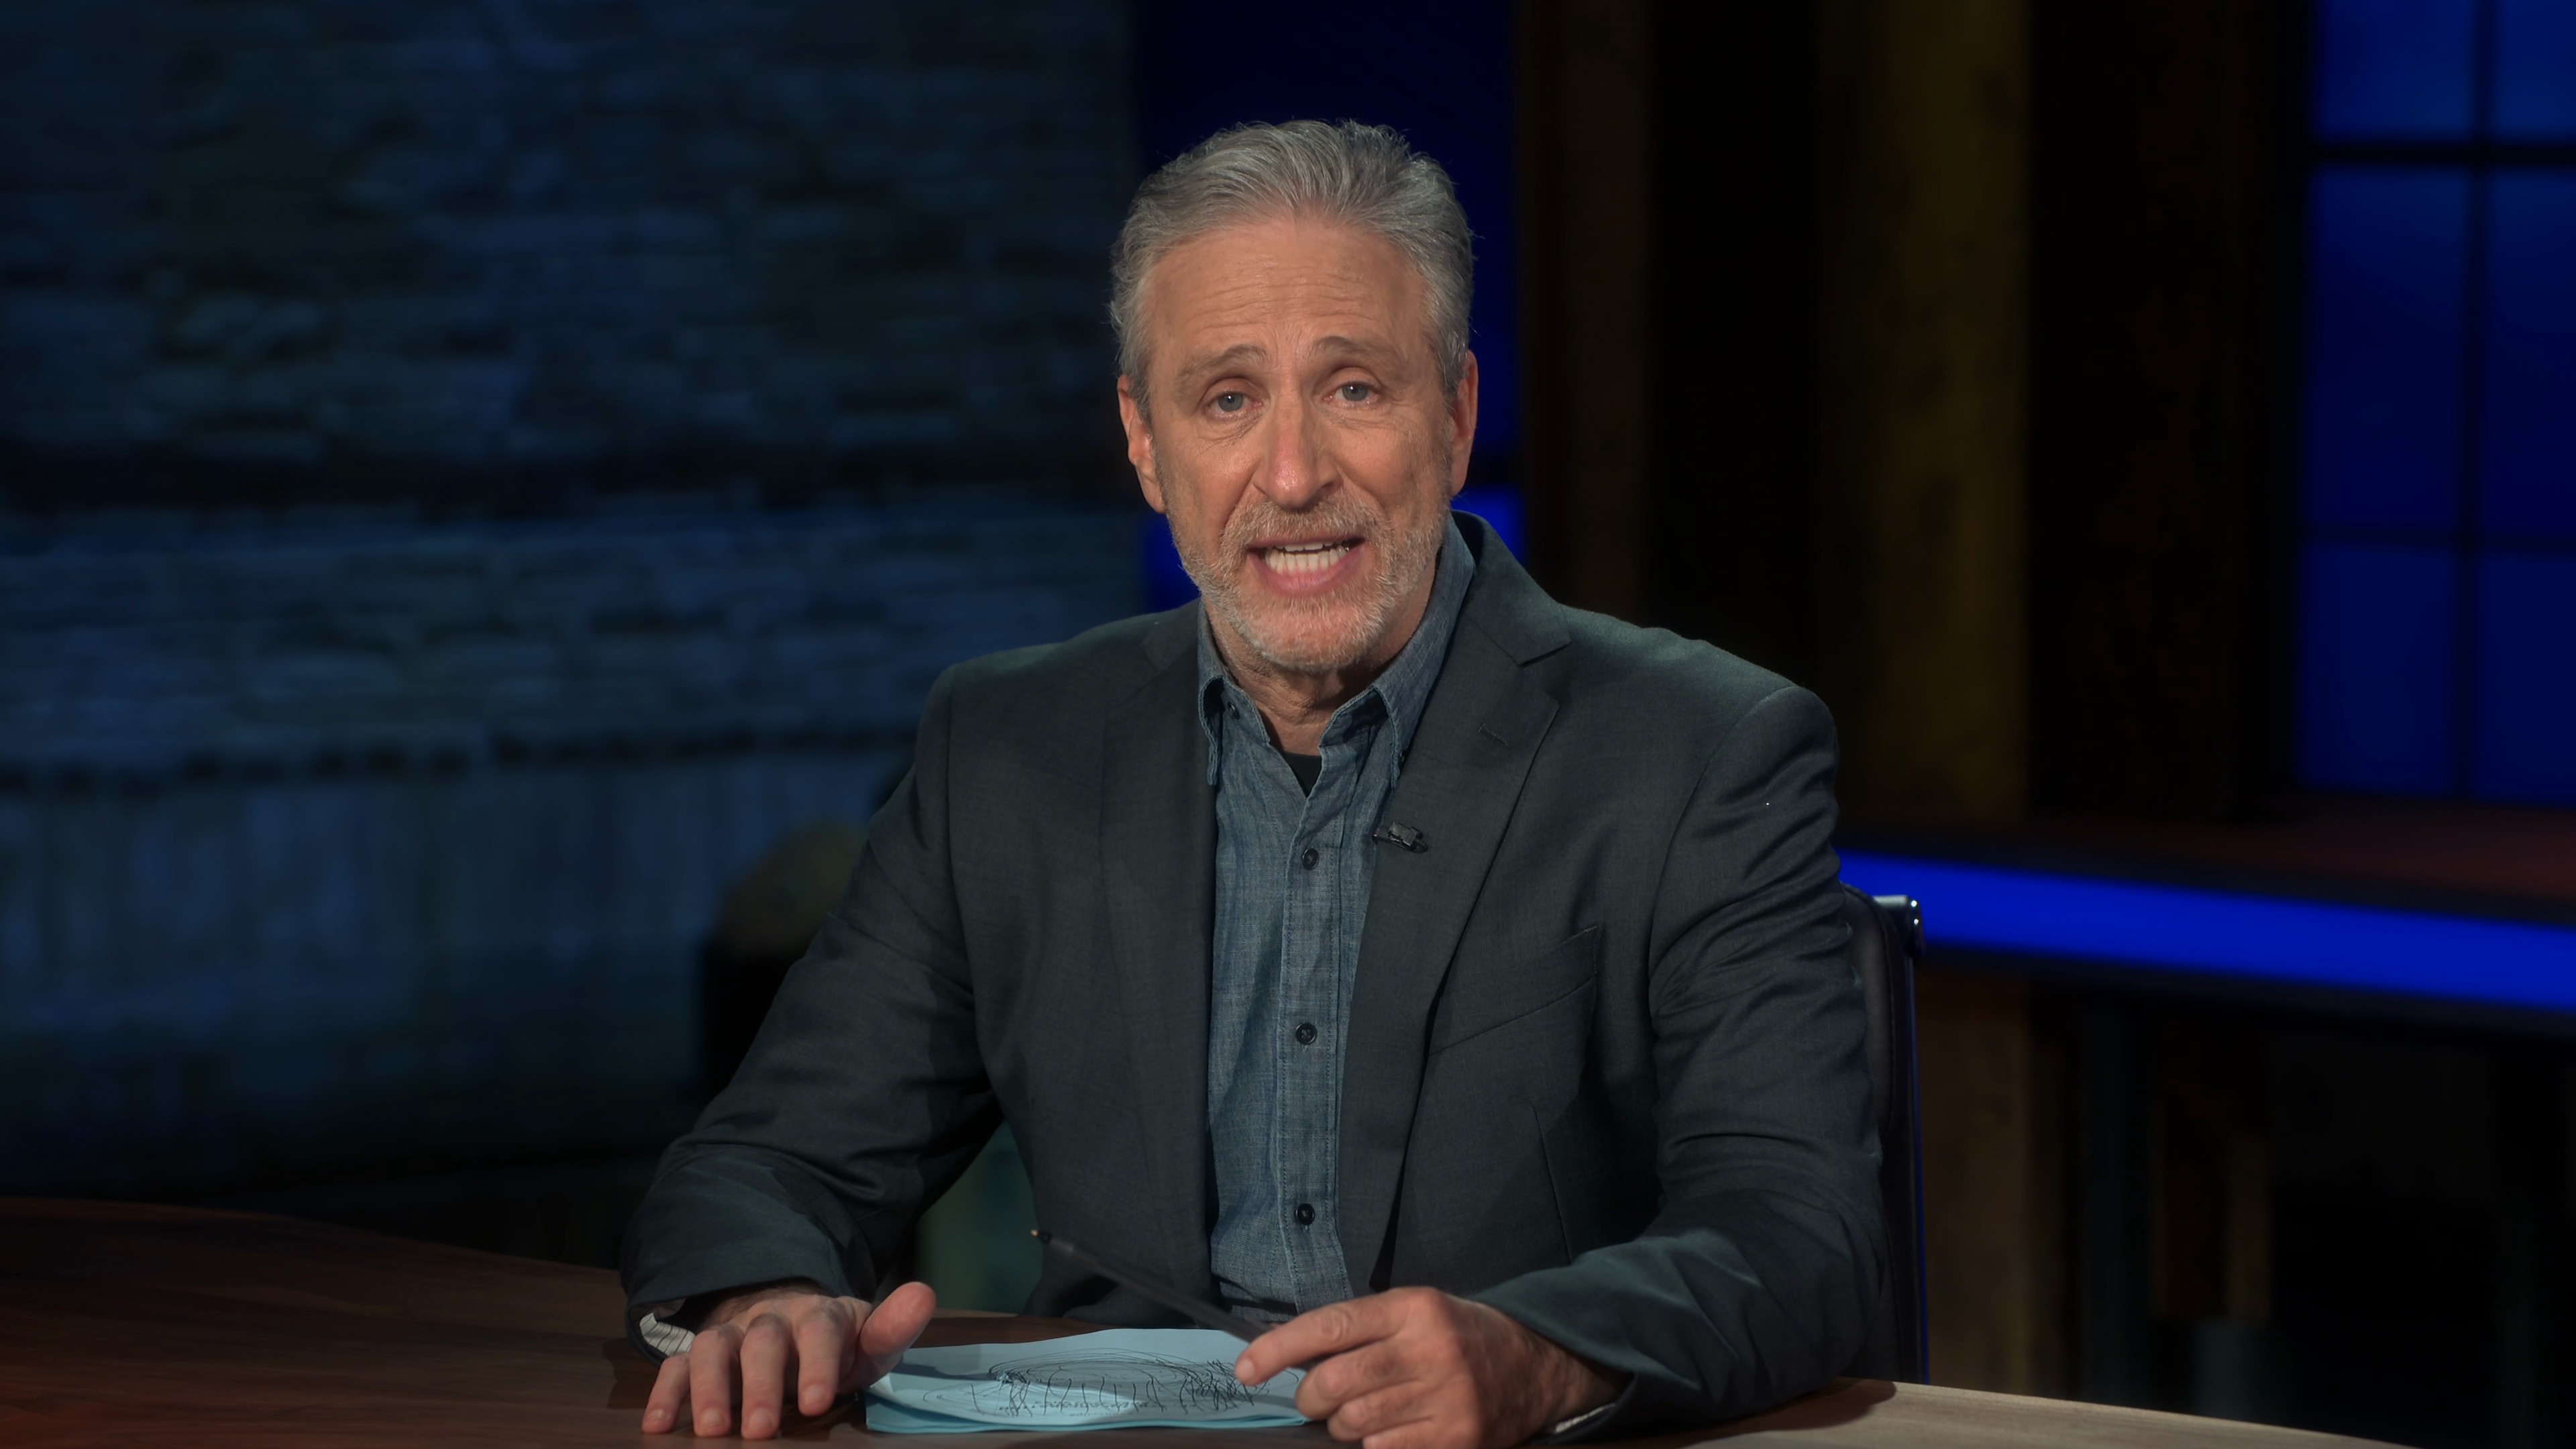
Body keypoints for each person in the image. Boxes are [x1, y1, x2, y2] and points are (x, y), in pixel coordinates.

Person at [622, 120, 1883, 1448]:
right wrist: (765, 1297)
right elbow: (770, 1162)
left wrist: (1539, 1355)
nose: (1292, 477)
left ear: (1455, 417)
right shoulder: (1008, 748)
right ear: (1145, 442)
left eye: (1355, 389)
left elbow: (1799, 1230)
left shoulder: (1701, 749)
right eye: (1227, 400)